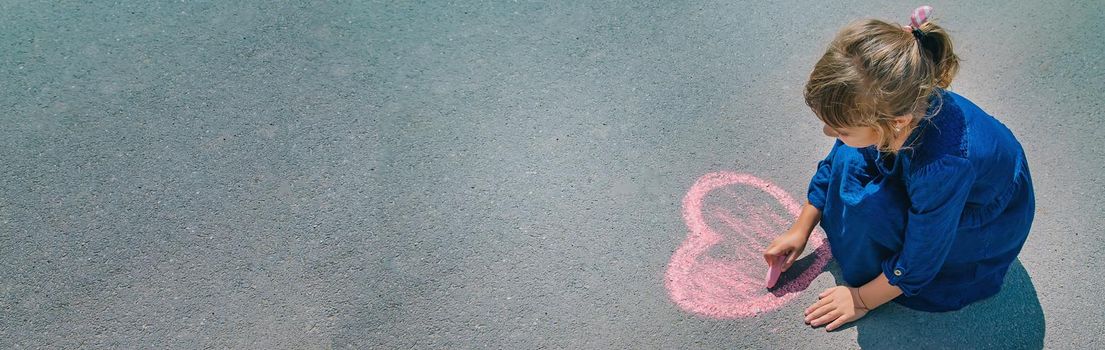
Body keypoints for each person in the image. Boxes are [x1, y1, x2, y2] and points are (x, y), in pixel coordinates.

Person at [762, 6, 1036, 332]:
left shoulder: (940, 167)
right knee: (850, 161)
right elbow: (837, 159)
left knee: (872, 210)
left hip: (983, 220)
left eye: (841, 129)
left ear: (895, 123)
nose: (829, 134)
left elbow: (922, 256)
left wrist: (862, 298)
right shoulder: (891, 106)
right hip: (937, 179)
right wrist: (801, 227)